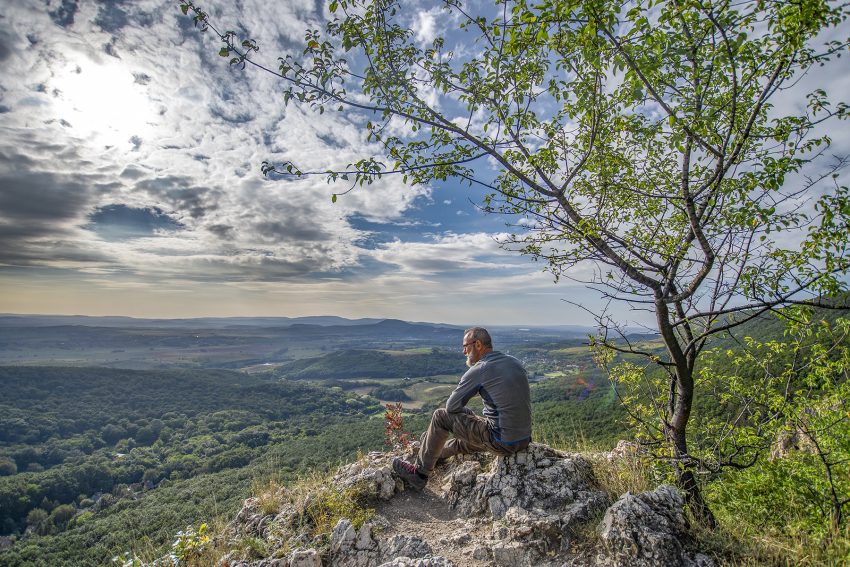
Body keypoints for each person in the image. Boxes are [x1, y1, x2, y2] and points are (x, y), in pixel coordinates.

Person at [392, 326, 532, 490]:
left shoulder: (480, 368)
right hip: (522, 439)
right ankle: (437, 454)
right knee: (463, 441)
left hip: (499, 439)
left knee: (440, 416)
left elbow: (451, 407)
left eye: (465, 346)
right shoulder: (513, 361)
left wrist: (467, 409)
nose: (464, 351)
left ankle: (419, 474)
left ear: (478, 345)